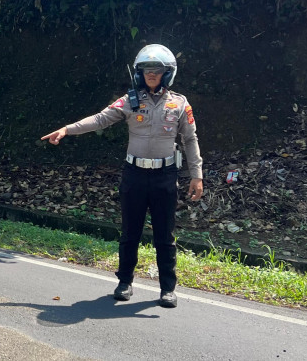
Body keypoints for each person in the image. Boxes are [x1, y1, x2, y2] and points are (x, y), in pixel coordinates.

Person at [41, 44, 203, 308]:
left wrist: (197, 175)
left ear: (167, 73)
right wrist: (67, 130)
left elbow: (190, 139)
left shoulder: (180, 104)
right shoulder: (129, 101)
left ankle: (167, 288)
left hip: (165, 176)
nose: (152, 74)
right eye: (147, 70)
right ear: (139, 73)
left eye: (157, 70)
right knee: (130, 232)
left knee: (165, 235)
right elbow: (99, 119)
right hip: (135, 175)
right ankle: (124, 282)